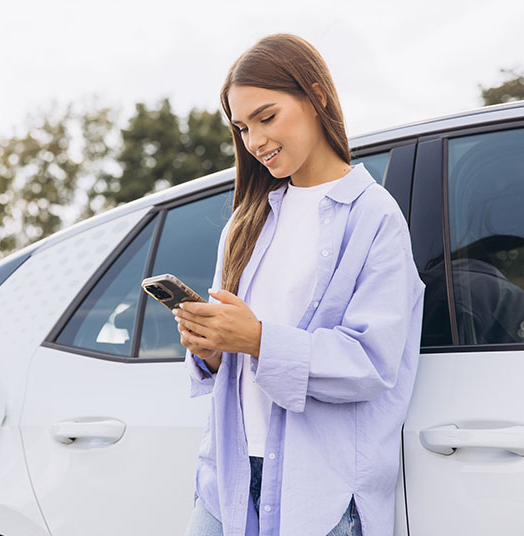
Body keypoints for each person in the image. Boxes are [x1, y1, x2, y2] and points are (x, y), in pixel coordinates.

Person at [173, 34, 425, 536]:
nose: (254, 141)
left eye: (267, 118)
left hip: (322, 493)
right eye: (242, 128)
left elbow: (372, 362)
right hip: (228, 480)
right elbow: (228, 360)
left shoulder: (374, 217)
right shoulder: (246, 222)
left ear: (317, 98)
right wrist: (211, 347)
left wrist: (257, 339)